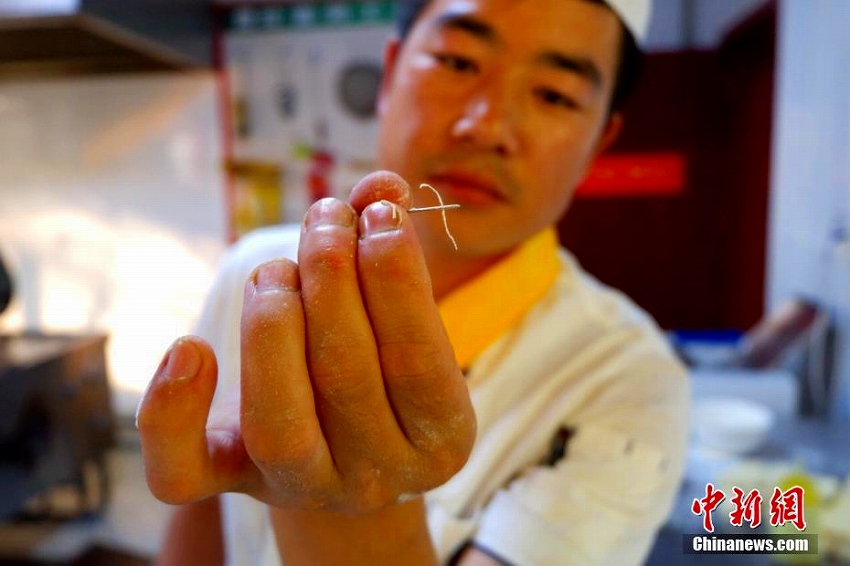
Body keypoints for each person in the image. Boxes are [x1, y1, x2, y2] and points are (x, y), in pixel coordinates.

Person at [136, 0, 689, 564]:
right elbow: (199, 529)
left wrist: (348, 498)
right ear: (391, 73)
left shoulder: (630, 383)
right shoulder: (257, 277)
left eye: (554, 95)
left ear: (599, 142)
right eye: (457, 61)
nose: (487, 126)